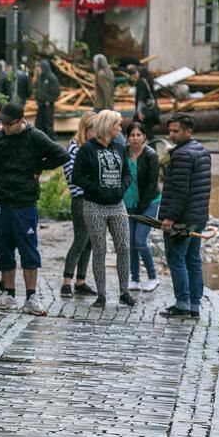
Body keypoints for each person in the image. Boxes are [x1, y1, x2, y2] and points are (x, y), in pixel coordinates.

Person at [0, 102, 68, 315]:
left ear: (20, 121)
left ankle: (31, 296)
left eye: (8, 123)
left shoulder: (35, 136)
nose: (4, 126)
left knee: (28, 249)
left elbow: (62, 155)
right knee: (3, 247)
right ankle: (9, 293)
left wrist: (39, 165)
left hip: (25, 202)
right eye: (2, 122)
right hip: (2, 201)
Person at [71, 110, 134, 307]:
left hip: (117, 205)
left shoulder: (120, 147)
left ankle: (124, 291)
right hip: (94, 206)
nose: (120, 129)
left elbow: (127, 174)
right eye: (117, 125)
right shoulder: (87, 149)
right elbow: (77, 176)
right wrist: (96, 189)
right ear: (108, 126)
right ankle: (102, 294)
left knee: (123, 247)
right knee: (100, 250)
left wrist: (121, 190)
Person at [157, 113, 212, 318]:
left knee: (177, 259)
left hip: (183, 220)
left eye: (175, 131)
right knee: (193, 260)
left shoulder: (181, 155)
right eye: (170, 130)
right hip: (198, 217)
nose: (171, 135)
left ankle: (182, 304)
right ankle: (194, 306)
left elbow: (180, 191)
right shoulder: (203, 150)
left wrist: (170, 217)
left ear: (188, 131)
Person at [59, 112, 99, 298]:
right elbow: (73, 177)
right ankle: (66, 281)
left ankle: (80, 280)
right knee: (80, 240)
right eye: (94, 130)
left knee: (89, 242)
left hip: (93, 198)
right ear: (86, 129)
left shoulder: (91, 147)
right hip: (81, 199)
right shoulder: (74, 148)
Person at [123, 121, 162, 292]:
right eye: (132, 135)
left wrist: (141, 207)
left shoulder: (151, 155)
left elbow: (152, 185)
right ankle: (135, 279)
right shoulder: (123, 152)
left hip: (149, 203)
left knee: (140, 240)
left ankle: (153, 277)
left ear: (144, 137)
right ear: (127, 137)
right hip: (128, 204)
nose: (136, 138)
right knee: (130, 242)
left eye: (139, 135)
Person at [33, 59, 61, 139]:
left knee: (48, 124)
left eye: (40, 68)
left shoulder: (52, 78)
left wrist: (49, 100)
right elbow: (35, 88)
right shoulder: (40, 77)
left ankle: (51, 141)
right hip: (40, 104)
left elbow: (57, 93)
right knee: (38, 124)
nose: (39, 70)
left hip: (48, 106)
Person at [133, 66, 160, 142]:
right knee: (149, 132)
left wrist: (138, 111)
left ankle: (136, 150)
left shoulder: (141, 82)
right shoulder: (149, 80)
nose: (136, 74)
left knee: (134, 129)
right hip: (151, 111)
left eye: (137, 72)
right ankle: (152, 150)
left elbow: (141, 98)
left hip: (143, 112)